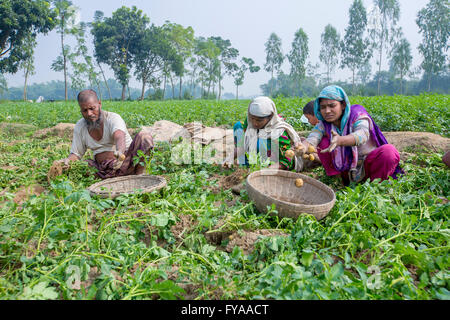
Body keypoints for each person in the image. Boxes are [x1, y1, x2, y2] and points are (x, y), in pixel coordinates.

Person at [296, 85, 403, 186]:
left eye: (332, 105)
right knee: (323, 142)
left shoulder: (357, 114)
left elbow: (362, 134)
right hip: (345, 169)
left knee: (389, 152)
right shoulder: (324, 124)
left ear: (342, 105)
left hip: (369, 164)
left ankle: (376, 185)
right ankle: (339, 181)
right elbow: (313, 137)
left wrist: (340, 140)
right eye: (323, 107)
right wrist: (303, 147)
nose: (327, 111)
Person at [58, 89, 154, 179]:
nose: (89, 113)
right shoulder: (80, 126)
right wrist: (67, 161)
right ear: (81, 110)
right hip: (102, 169)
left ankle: (140, 175)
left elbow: (119, 136)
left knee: (144, 137)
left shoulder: (113, 118)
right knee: (84, 165)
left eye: (92, 108)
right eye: (85, 110)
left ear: (99, 104)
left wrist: (119, 152)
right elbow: (76, 154)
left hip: (127, 164)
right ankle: (110, 179)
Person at [233, 96, 304, 171]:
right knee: (238, 126)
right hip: (254, 158)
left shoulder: (279, 132)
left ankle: (258, 166)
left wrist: (268, 170)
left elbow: (287, 160)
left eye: (259, 120)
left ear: (270, 117)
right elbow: (242, 142)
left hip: (271, 163)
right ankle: (245, 164)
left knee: (260, 142)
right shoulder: (249, 122)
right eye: (252, 118)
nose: (255, 123)